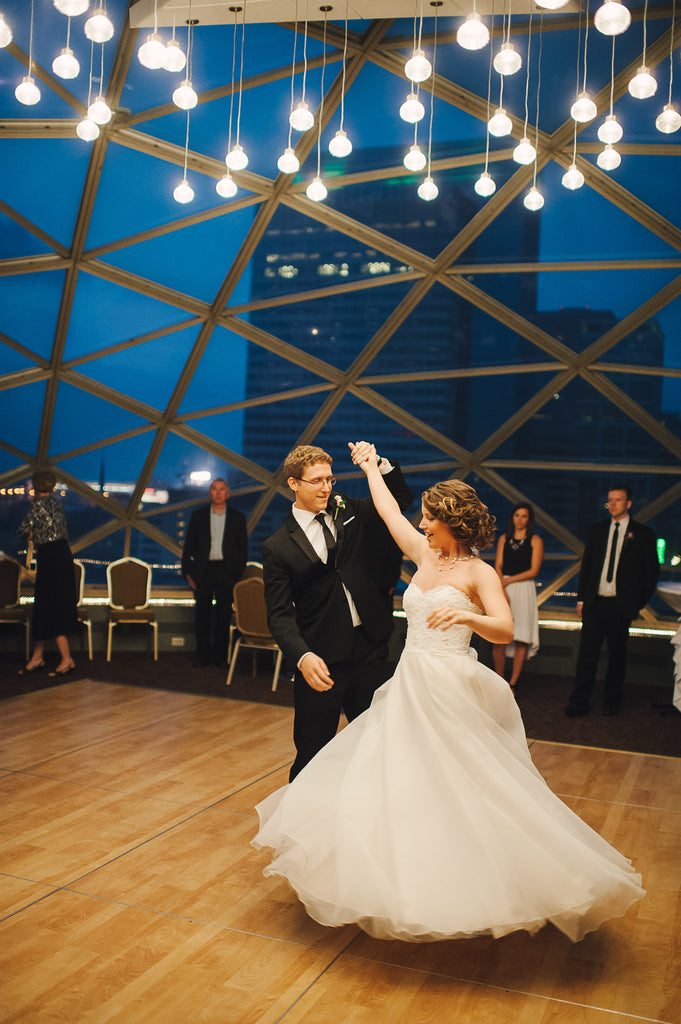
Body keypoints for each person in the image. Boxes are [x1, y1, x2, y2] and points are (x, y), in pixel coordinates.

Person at [252, 450, 645, 943]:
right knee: (395, 779)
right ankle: (394, 874)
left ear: (451, 523)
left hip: (451, 686)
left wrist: (468, 617)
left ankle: (474, 873)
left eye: (430, 520)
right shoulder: (423, 554)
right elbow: (391, 513)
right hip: (409, 681)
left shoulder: (479, 572)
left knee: (465, 783)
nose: (422, 524)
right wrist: (372, 469)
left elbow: (505, 629)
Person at [261, 442, 413, 781]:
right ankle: (300, 825)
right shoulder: (277, 547)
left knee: (379, 745)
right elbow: (279, 614)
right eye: (317, 481)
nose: (326, 488)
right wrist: (302, 657)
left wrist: (377, 464)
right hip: (320, 659)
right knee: (312, 752)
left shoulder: (349, 510)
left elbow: (399, 501)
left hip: (369, 649)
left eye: (330, 479)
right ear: (294, 483)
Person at [566, 485, 659, 717]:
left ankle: (612, 702)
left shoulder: (643, 534)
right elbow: (587, 567)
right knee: (587, 655)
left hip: (621, 606)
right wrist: (581, 599)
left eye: (618, 500)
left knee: (617, 657)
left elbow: (651, 574)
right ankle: (579, 702)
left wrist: (635, 603)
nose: (613, 504)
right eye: (610, 500)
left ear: (628, 503)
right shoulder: (597, 530)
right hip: (595, 603)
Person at [17, 469, 79, 677]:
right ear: (52, 486)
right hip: (63, 556)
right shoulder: (58, 504)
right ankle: (39, 657)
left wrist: (33, 533)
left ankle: (65, 659)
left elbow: (22, 531)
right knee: (54, 606)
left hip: (49, 558)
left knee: (46, 606)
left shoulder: (37, 506)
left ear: (35, 486)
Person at [181, 477, 248, 668]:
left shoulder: (238, 517)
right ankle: (202, 654)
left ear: (227, 493)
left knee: (223, 616)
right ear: (210, 493)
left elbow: (243, 550)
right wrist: (188, 574)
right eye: (214, 489)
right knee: (201, 615)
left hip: (226, 572)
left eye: (221, 489)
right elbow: (189, 548)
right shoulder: (198, 516)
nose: (217, 493)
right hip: (203, 572)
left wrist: (235, 575)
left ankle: (220, 657)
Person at [492, 502, 543, 690]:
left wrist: (510, 580)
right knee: (499, 637)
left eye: (524, 516)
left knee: (521, 637)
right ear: (512, 517)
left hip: (524, 589)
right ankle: (499, 681)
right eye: (517, 515)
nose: (520, 519)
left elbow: (534, 570)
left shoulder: (535, 540)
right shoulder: (504, 539)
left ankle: (512, 683)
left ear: (529, 520)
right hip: (504, 588)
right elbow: (497, 566)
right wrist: (503, 588)